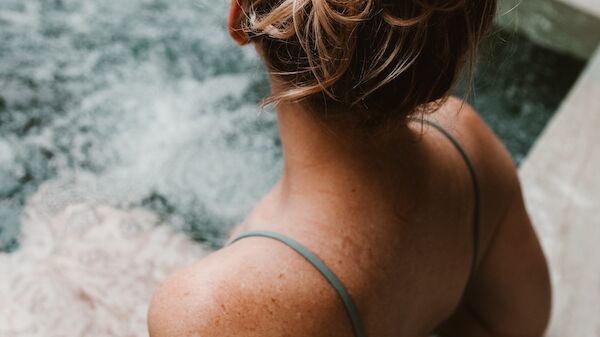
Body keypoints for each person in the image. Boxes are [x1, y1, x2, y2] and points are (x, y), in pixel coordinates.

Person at [147, 0, 551, 336]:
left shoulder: (210, 310)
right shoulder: (466, 143)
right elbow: (520, 322)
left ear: (238, 20)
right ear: (454, 44)